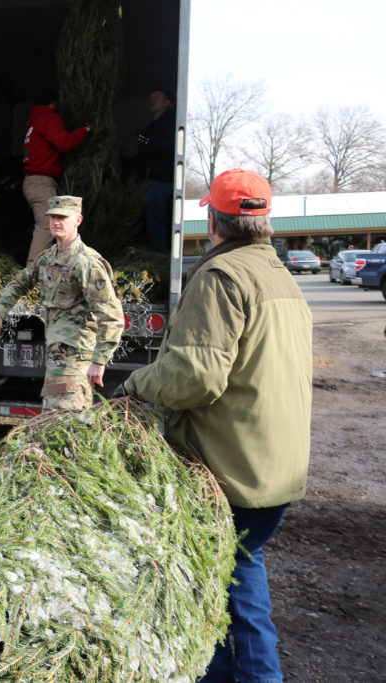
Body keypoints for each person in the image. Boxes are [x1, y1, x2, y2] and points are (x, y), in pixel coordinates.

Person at [120, 169, 313, 683]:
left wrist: (136, 385)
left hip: (233, 471)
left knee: (235, 584)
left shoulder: (223, 277)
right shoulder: (282, 278)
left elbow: (196, 377)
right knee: (230, 574)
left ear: (213, 220)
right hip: (276, 464)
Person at [0, 196, 124, 410]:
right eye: (53, 217)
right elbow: (20, 282)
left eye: (63, 217)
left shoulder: (86, 263)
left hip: (75, 358)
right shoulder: (48, 258)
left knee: (65, 420)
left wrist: (99, 361)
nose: (56, 222)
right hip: (56, 354)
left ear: (78, 220)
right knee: (55, 419)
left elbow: (111, 317)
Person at [21, 91, 90, 265]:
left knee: (46, 225)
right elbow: (64, 142)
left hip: (32, 181)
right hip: (41, 181)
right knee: (46, 226)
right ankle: (32, 271)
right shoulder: (48, 118)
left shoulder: (35, 121)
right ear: (54, 103)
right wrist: (85, 130)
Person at [135, 89, 176, 247]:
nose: (152, 98)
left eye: (157, 96)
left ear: (167, 103)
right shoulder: (154, 125)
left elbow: (169, 149)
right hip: (154, 178)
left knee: (158, 220)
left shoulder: (170, 123)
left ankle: (160, 252)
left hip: (162, 180)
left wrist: (149, 141)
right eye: (151, 95)